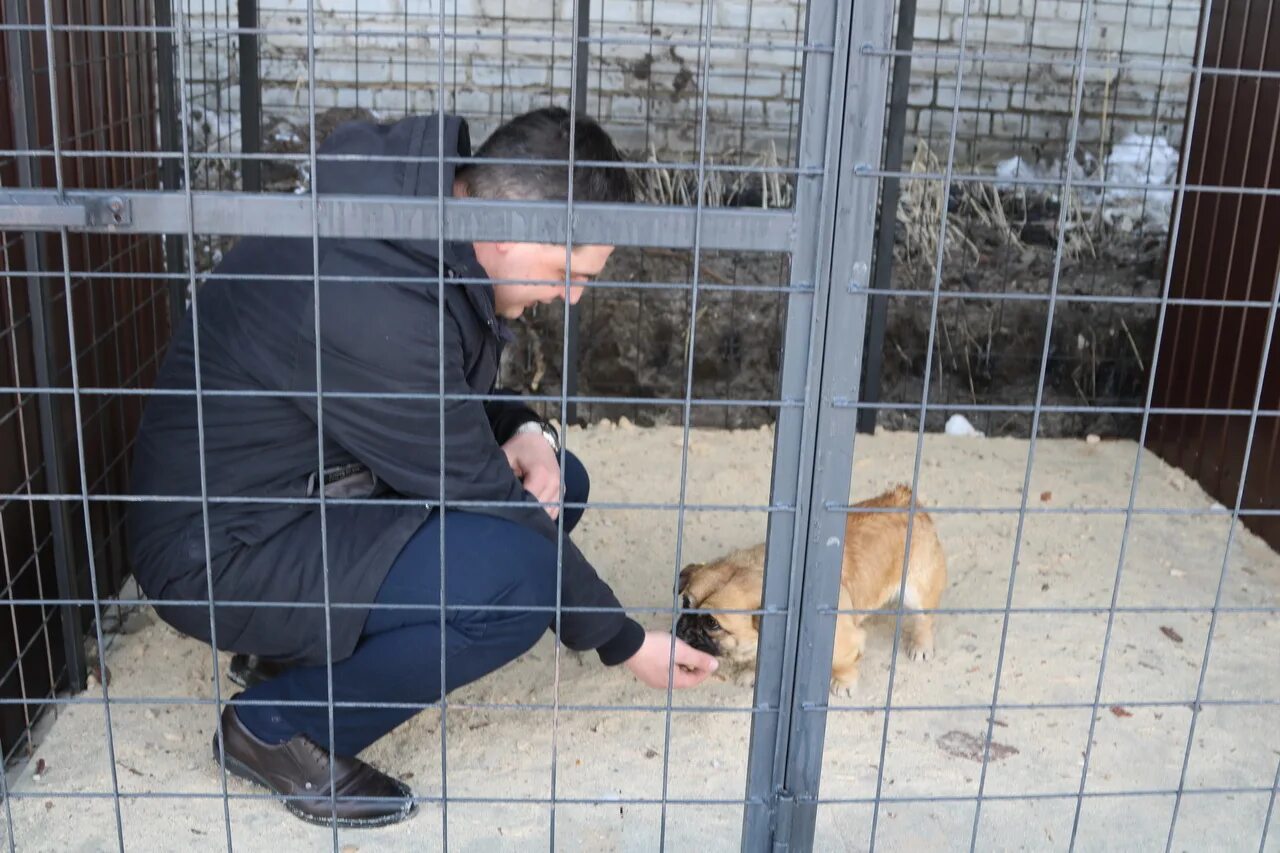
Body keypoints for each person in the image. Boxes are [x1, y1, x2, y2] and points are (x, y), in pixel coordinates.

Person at [126, 106, 718, 828]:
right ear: (513, 233)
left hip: (311, 490)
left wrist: (530, 430)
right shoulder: (373, 290)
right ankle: (278, 724)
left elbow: (442, 393)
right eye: (569, 272)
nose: (572, 295)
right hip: (223, 547)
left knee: (561, 481)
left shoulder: (424, 232)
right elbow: (479, 479)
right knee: (516, 581)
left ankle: (290, 653)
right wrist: (626, 642)